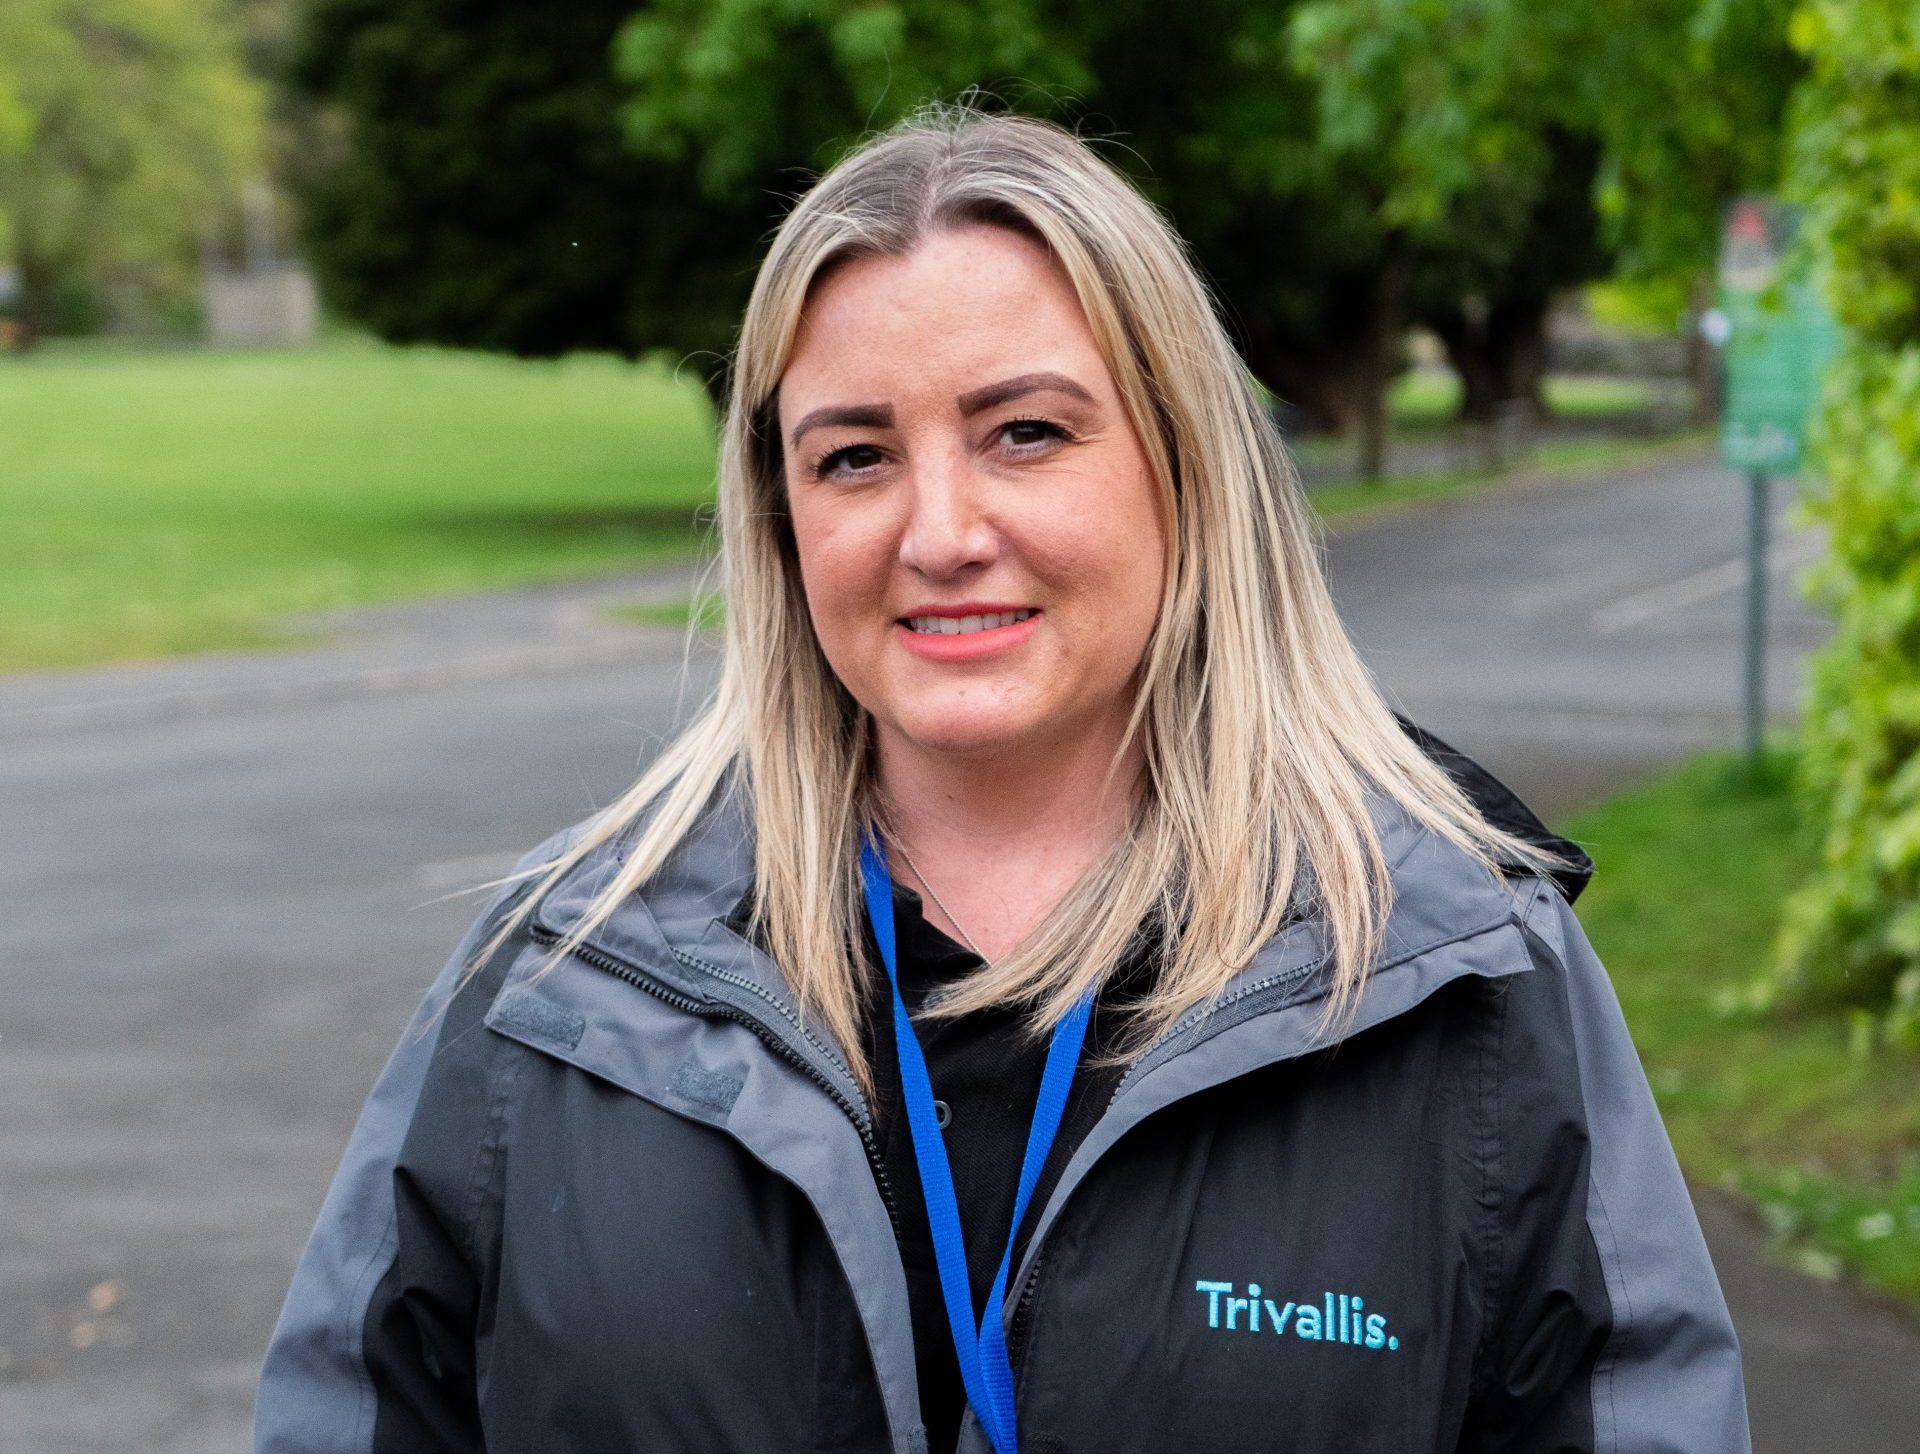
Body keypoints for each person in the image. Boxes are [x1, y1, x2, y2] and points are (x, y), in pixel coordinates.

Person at [254, 103, 1750, 1454]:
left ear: (1185, 465)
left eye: (1024, 433)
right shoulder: (565, 984)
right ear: (780, 521)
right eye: (853, 457)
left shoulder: (1452, 968)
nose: (940, 529)